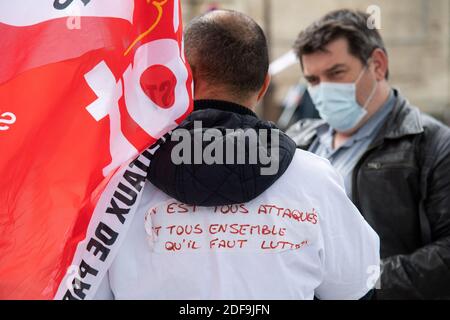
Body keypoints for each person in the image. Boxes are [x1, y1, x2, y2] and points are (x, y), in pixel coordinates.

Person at [95, 10, 379, 300]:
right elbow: (356, 288)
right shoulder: (314, 180)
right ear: (264, 85)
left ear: (184, 76)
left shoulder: (118, 186)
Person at [287, 9, 450, 300]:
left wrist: (366, 283)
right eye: (313, 80)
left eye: (336, 73)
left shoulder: (432, 144)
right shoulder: (297, 144)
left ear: (377, 65)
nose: (324, 89)